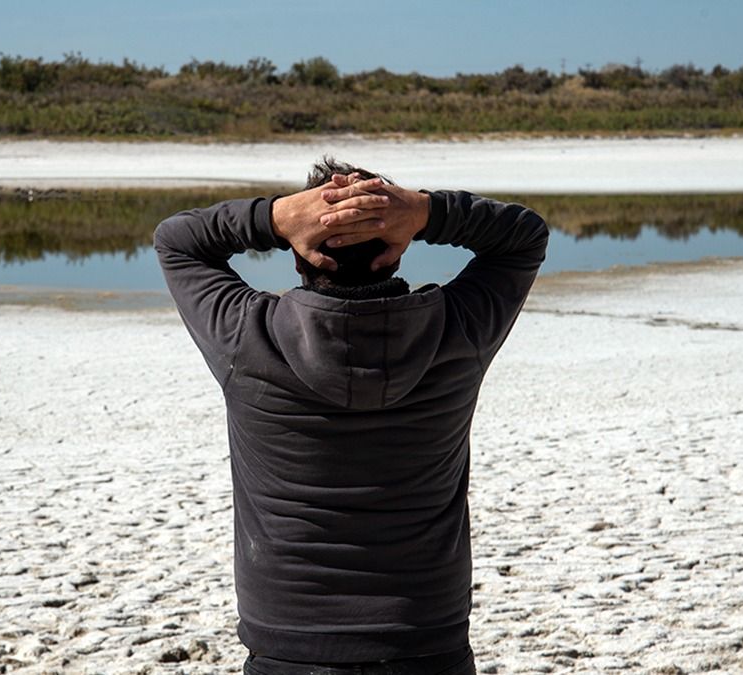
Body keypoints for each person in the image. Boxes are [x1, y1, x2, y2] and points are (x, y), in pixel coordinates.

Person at [153, 158, 549, 674]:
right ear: (396, 251)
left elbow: (177, 240)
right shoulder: (458, 332)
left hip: (291, 643)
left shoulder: (247, 340)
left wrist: (274, 218)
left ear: (299, 254)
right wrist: (425, 211)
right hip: (425, 637)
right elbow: (523, 236)